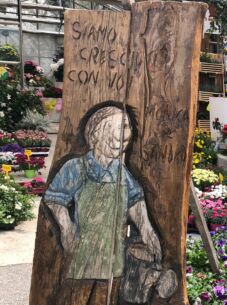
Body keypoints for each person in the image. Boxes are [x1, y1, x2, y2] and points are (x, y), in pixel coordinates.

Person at [44, 102, 175, 303]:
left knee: (108, 296)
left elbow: (137, 207)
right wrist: (66, 226)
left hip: (114, 256)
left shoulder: (123, 174)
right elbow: (54, 198)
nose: (118, 144)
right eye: (112, 139)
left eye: (123, 142)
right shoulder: (77, 167)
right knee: (79, 295)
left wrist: (148, 231)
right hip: (84, 252)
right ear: (95, 135)